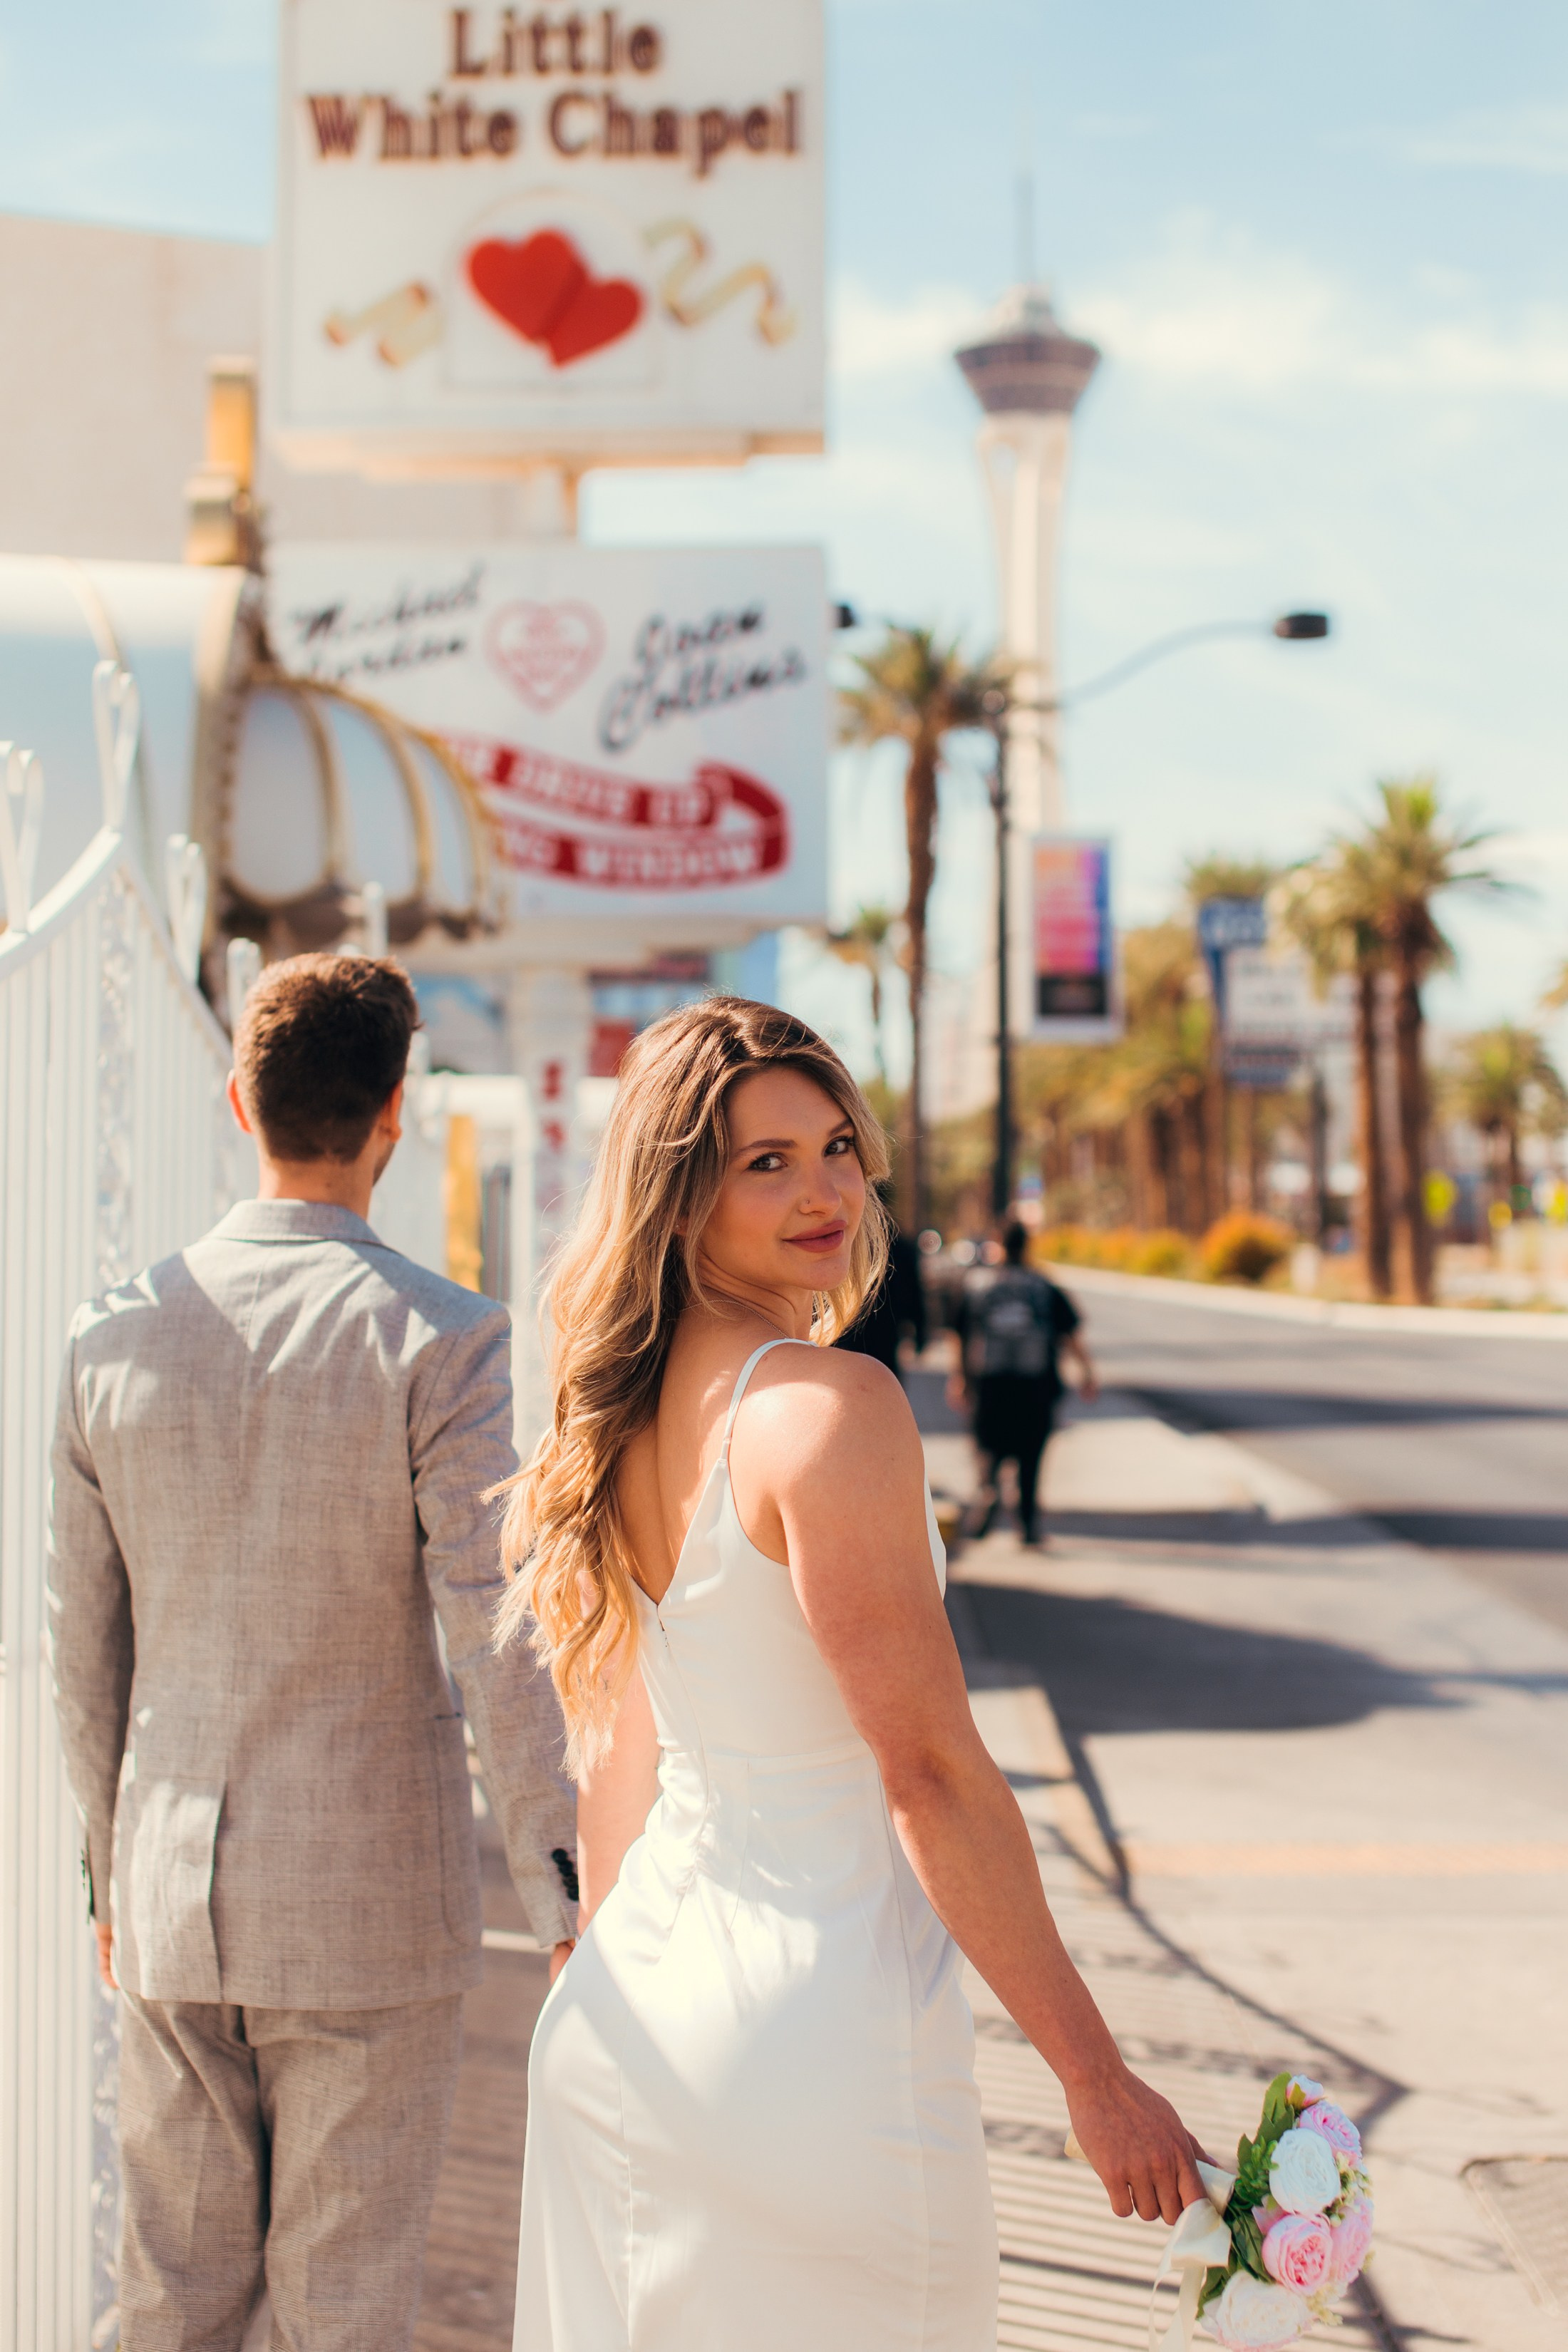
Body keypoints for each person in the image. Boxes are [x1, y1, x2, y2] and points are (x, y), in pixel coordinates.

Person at [497, 997, 1203, 2352]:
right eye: (765, 1162)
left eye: (833, 1146)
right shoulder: (826, 1409)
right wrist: (1096, 2077)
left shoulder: (629, 1417)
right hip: (810, 2040)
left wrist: (587, 1958)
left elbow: (623, 1750)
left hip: (630, 2015)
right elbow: (928, 1773)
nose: (824, 1191)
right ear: (680, 1190)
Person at [48, 952, 577, 2352]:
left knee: (169, 2300)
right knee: (338, 2314)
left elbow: (79, 1642)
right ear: (394, 1111)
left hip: (168, 1898)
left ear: (238, 1100)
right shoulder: (445, 1337)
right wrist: (558, 1882)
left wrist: (109, 1871)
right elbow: (494, 1625)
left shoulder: (108, 1337)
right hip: (367, 1908)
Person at [953, 1220, 1097, 1547]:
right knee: (1031, 1455)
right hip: (1036, 1386)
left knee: (988, 1447)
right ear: (1027, 1246)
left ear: (998, 1246)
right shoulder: (1043, 1286)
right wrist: (1087, 1371)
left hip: (989, 1384)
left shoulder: (977, 1284)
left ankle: (988, 1492)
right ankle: (1029, 1522)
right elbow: (1069, 1333)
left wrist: (960, 1377)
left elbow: (959, 1334)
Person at [833, 1182, 928, 1376]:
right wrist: (919, 1331)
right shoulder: (900, 1244)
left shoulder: (844, 1241)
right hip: (885, 1327)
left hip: (851, 1327)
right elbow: (914, 1292)